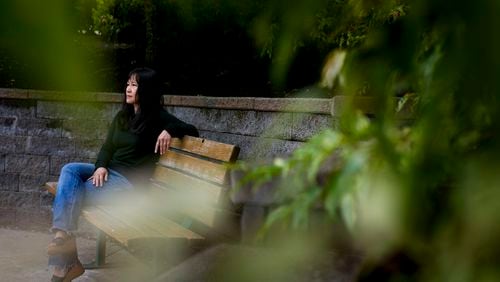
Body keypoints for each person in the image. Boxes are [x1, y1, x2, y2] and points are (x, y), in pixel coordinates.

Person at [47, 67, 198, 281]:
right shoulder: (123, 116)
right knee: (69, 170)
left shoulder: (158, 118)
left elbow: (192, 130)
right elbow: (107, 148)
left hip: (128, 184)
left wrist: (170, 130)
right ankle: (62, 238)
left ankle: (63, 260)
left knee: (69, 192)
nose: (128, 89)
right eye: (128, 83)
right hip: (110, 173)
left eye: (134, 85)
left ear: (146, 90)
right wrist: (100, 166)